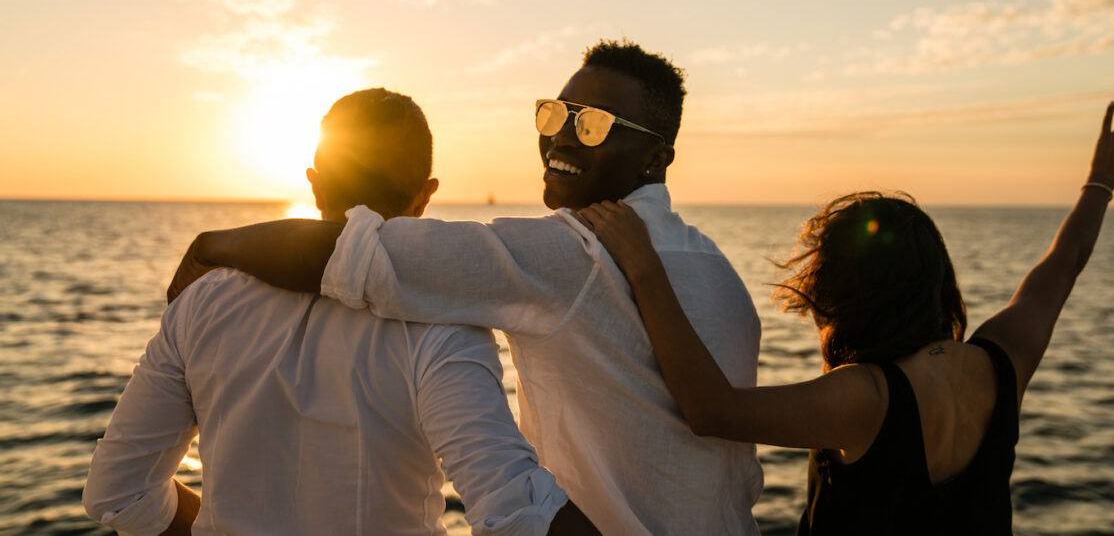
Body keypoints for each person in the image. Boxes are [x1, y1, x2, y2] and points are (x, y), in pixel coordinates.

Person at [166, 40, 764, 534]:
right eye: (555, 115)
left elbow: (356, 254)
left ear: (654, 159)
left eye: (593, 125)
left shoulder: (576, 250)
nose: (559, 138)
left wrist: (211, 245)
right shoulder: (714, 266)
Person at [574, 100, 1114, 535]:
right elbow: (1061, 268)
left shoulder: (866, 398)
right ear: (936, 278)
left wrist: (644, 267)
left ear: (843, 296)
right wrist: (1101, 182)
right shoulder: (1002, 362)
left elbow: (712, 409)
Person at [83, 89, 597, 536]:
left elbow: (118, 493)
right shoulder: (441, 323)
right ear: (426, 195)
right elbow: (517, 514)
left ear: (314, 183)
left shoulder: (203, 301)